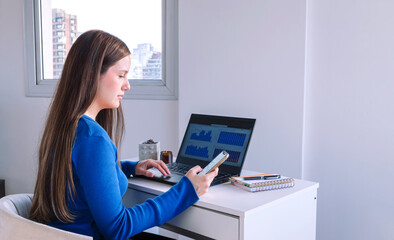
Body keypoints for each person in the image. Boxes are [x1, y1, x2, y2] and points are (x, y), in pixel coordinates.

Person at [29, 30, 218, 240]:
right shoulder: (93, 139)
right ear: (91, 75)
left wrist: (128, 167)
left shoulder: (66, 127)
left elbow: (80, 176)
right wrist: (187, 190)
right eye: (121, 75)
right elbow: (118, 228)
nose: (127, 85)